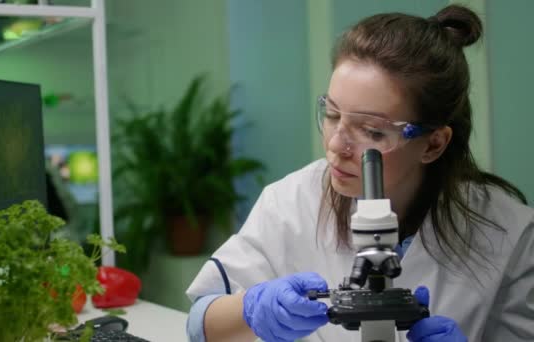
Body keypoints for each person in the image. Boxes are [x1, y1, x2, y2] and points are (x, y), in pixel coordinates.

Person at [186, 5, 534, 342]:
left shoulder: (509, 231)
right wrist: (250, 310)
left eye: (372, 130)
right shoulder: (292, 201)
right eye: (333, 114)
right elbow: (200, 322)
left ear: (433, 144)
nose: (337, 144)